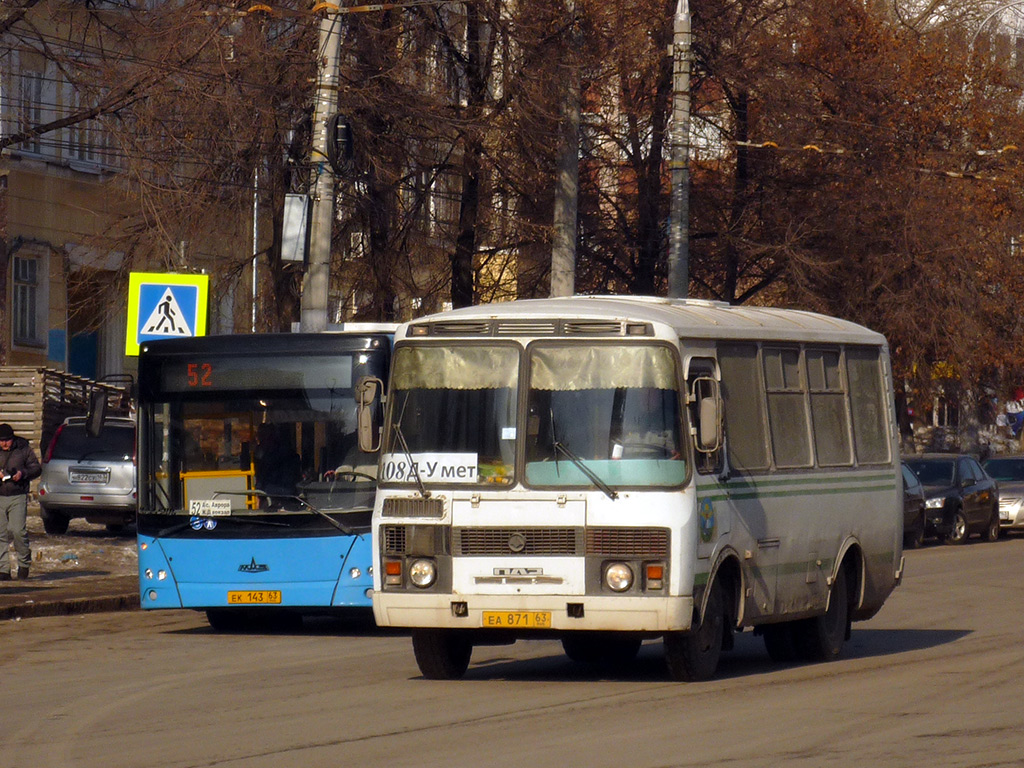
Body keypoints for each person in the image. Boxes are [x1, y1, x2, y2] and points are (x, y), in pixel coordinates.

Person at [0, 423, 42, 581]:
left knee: (18, 531)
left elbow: (36, 468)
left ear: (13, 439)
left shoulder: (23, 448)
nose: (4, 443)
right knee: (0, 534)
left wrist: (22, 474)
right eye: (1, 440)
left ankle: (24, 563)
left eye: (7, 440)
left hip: (17, 494)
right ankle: (3, 569)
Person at [253, 423, 301, 501]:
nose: (260, 440)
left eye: (264, 437)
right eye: (259, 436)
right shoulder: (260, 453)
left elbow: (287, 486)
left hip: (283, 498)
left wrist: (260, 491)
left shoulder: (286, 456)